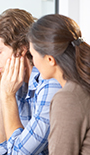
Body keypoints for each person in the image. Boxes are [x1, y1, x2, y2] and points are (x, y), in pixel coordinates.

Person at [0, 9, 61, 154]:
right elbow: (1, 148)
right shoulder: (15, 83)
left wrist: (7, 97)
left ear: (21, 49)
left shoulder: (49, 83)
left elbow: (19, 153)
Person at [28, 14, 90, 155]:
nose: (33, 63)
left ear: (50, 59)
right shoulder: (82, 85)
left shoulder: (68, 98)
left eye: (33, 55)